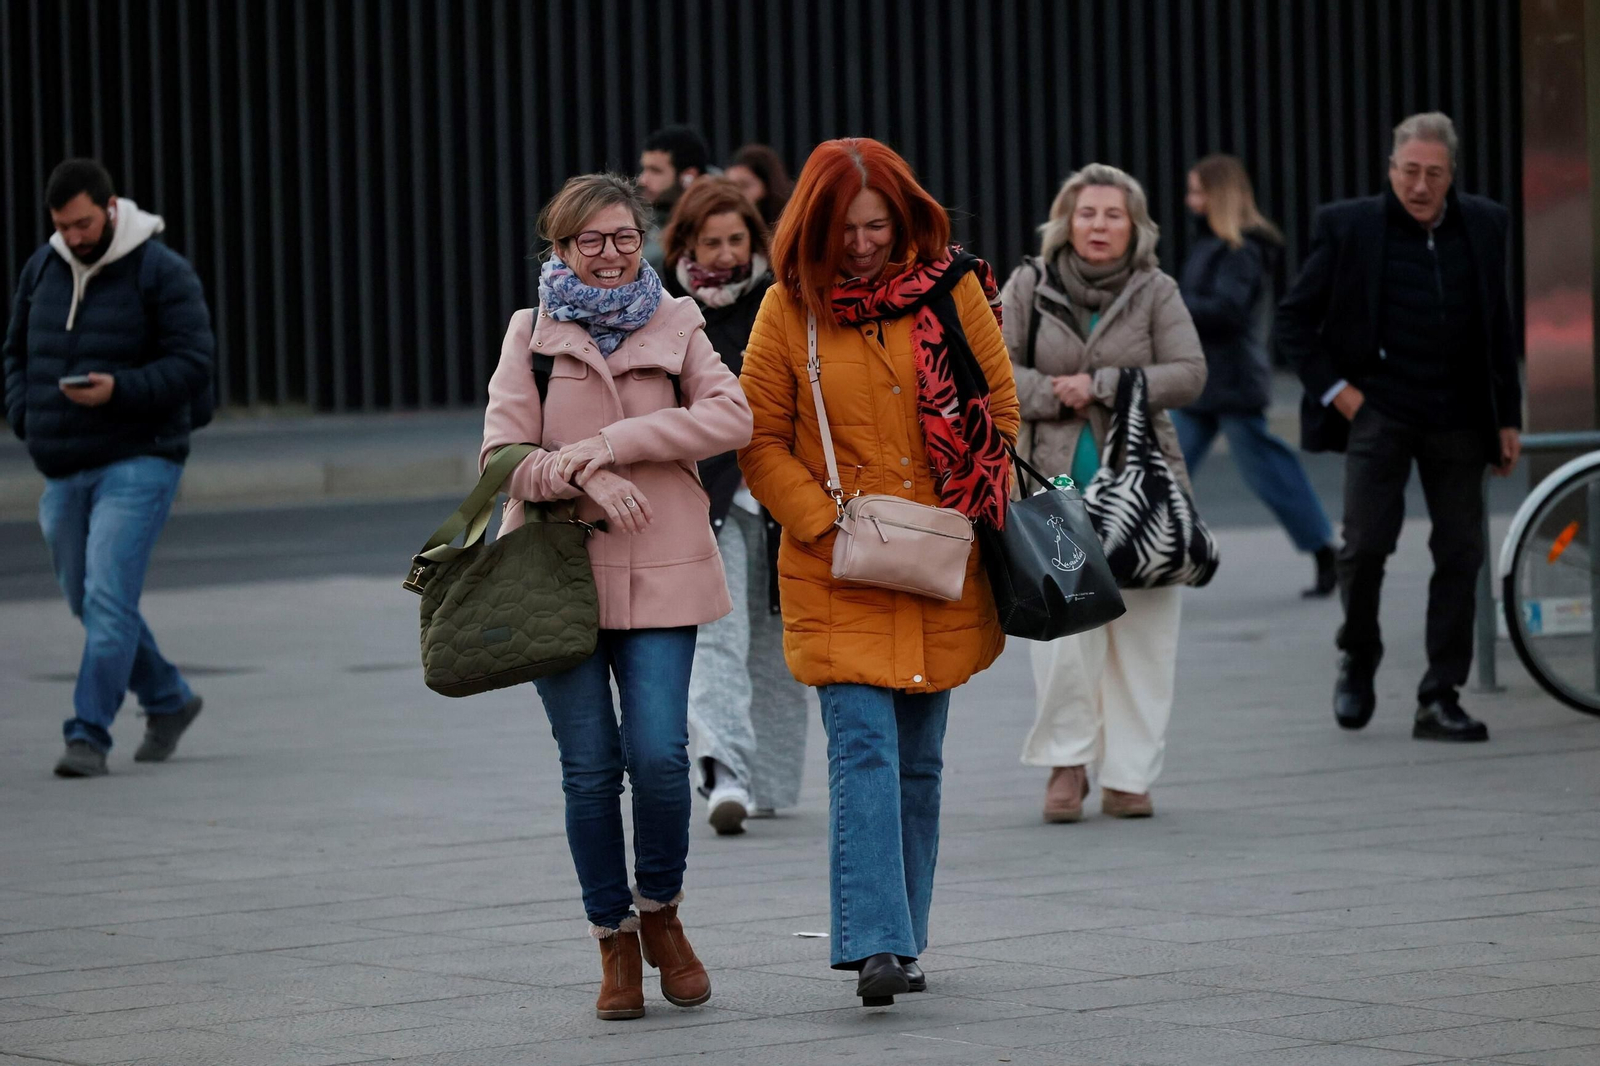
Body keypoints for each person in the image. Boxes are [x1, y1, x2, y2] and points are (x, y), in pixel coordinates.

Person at [738, 138, 1019, 1006]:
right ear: (814, 228)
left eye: (878, 226)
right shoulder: (788, 310)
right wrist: (825, 524)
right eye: (846, 229)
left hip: (938, 555)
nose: (863, 245)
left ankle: (906, 934)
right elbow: (759, 438)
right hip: (839, 564)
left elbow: (1001, 412)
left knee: (920, 760)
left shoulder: (954, 287)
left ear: (905, 218)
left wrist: (963, 492)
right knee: (862, 748)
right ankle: (877, 947)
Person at [481, 173, 752, 1019]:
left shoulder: (680, 321)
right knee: (590, 770)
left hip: (664, 566)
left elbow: (731, 416)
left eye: (624, 238)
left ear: (646, 241)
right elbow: (501, 457)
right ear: (559, 249)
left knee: (662, 761)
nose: (609, 256)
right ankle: (613, 937)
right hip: (555, 579)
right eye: (589, 242)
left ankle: (661, 911)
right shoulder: (531, 333)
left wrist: (612, 442)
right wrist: (583, 478)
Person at [1277, 112, 1522, 742]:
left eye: (1433, 174)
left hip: (1462, 414)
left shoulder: (1486, 224)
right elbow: (1294, 324)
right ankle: (1358, 656)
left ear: (1451, 176)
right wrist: (1341, 393)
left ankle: (1440, 695)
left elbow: (1499, 327)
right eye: (1409, 171)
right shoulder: (1349, 226)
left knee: (1462, 553)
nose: (1419, 186)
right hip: (1380, 409)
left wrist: (1508, 419)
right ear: (1390, 170)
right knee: (1364, 547)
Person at [1000, 163, 1205, 824]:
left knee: (1145, 640)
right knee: (1063, 639)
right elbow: (992, 366)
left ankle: (1129, 773)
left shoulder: (1156, 289)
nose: (1099, 226)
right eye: (1087, 214)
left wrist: (1107, 384)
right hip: (1054, 488)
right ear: (1067, 221)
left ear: (1134, 226)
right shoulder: (1029, 281)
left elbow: (1190, 373)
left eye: (1113, 215)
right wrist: (1051, 393)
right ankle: (1067, 764)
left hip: (1140, 494)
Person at [2, 159, 214, 779]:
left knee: (107, 596)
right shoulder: (42, 268)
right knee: (89, 600)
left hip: (141, 457)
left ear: (111, 207)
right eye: (64, 226)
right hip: (64, 463)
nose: (75, 236)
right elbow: (15, 351)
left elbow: (196, 362)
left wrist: (119, 390)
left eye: (85, 223)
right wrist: (25, 415)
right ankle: (169, 699)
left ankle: (87, 734)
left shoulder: (160, 269)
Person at [661, 178, 809, 836]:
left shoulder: (781, 302)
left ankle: (769, 782)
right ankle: (723, 768)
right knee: (717, 636)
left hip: (778, 493)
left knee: (777, 644)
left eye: (736, 240)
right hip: (701, 494)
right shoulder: (663, 310)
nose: (724, 254)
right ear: (686, 244)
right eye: (710, 241)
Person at [1171, 154, 1339, 599]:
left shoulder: (1241, 250)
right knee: (1165, 465)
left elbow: (1228, 312)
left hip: (1233, 383)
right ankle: (1139, 552)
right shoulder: (1212, 242)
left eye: (1196, 191)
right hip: (1205, 382)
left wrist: (1171, 305)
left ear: (1217, 195)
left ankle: (1324, 548)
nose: (1189, 200)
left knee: (1268, 472)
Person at [637, 125, 711, 274]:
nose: (642, 180)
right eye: (644, 169)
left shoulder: (718, 219)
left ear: (689, 177)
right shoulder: (649, 217)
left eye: (655, 171)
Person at [725, 144, 794, 230]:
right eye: (730, 186)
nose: (736, 193)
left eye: (744, 185)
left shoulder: (791, 224)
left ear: (768, 186)